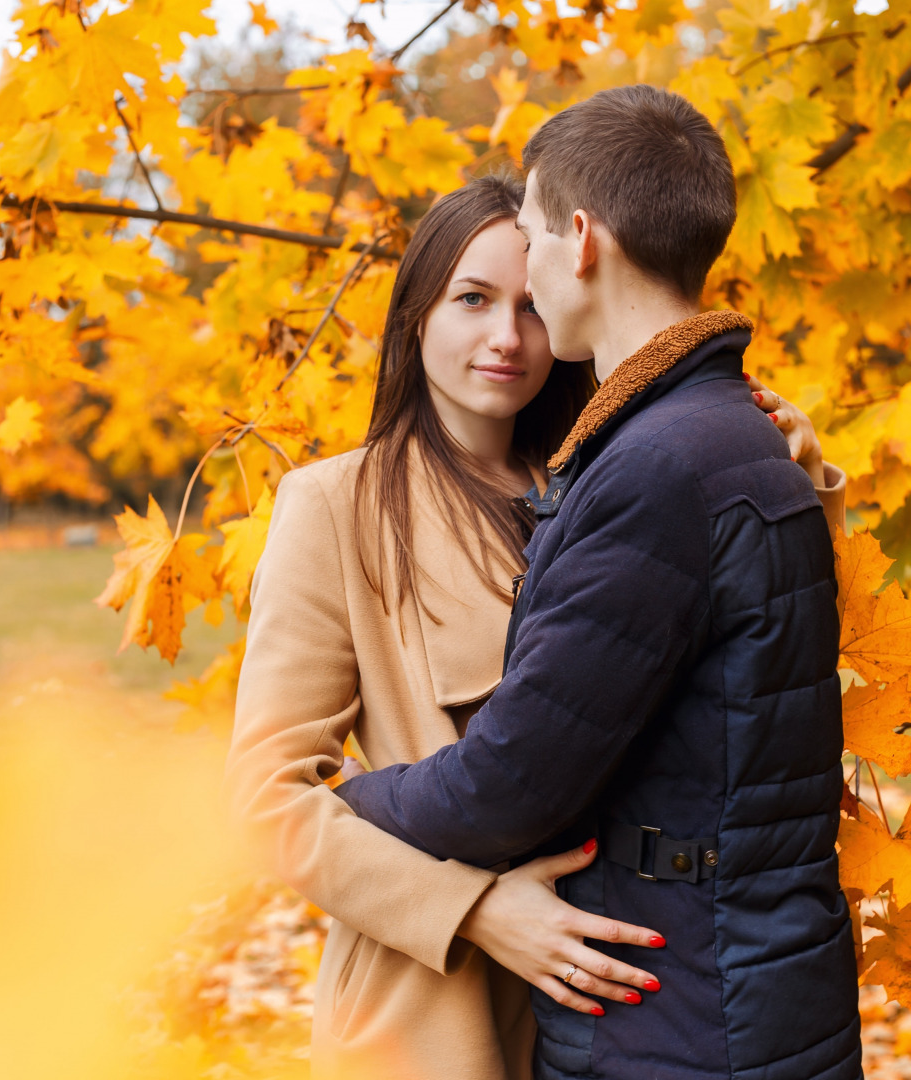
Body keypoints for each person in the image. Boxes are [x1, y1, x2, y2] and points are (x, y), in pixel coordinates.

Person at [227, 174, 846, 1080]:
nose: (507, 337)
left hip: (623, 999)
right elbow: (264, 802)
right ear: (417, 315)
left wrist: (795, 482)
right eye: (472, 300)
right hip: (434, 1010)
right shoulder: (335, 507)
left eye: (528, 303)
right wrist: (471, 908)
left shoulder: (622, 481)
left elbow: (762, 682)